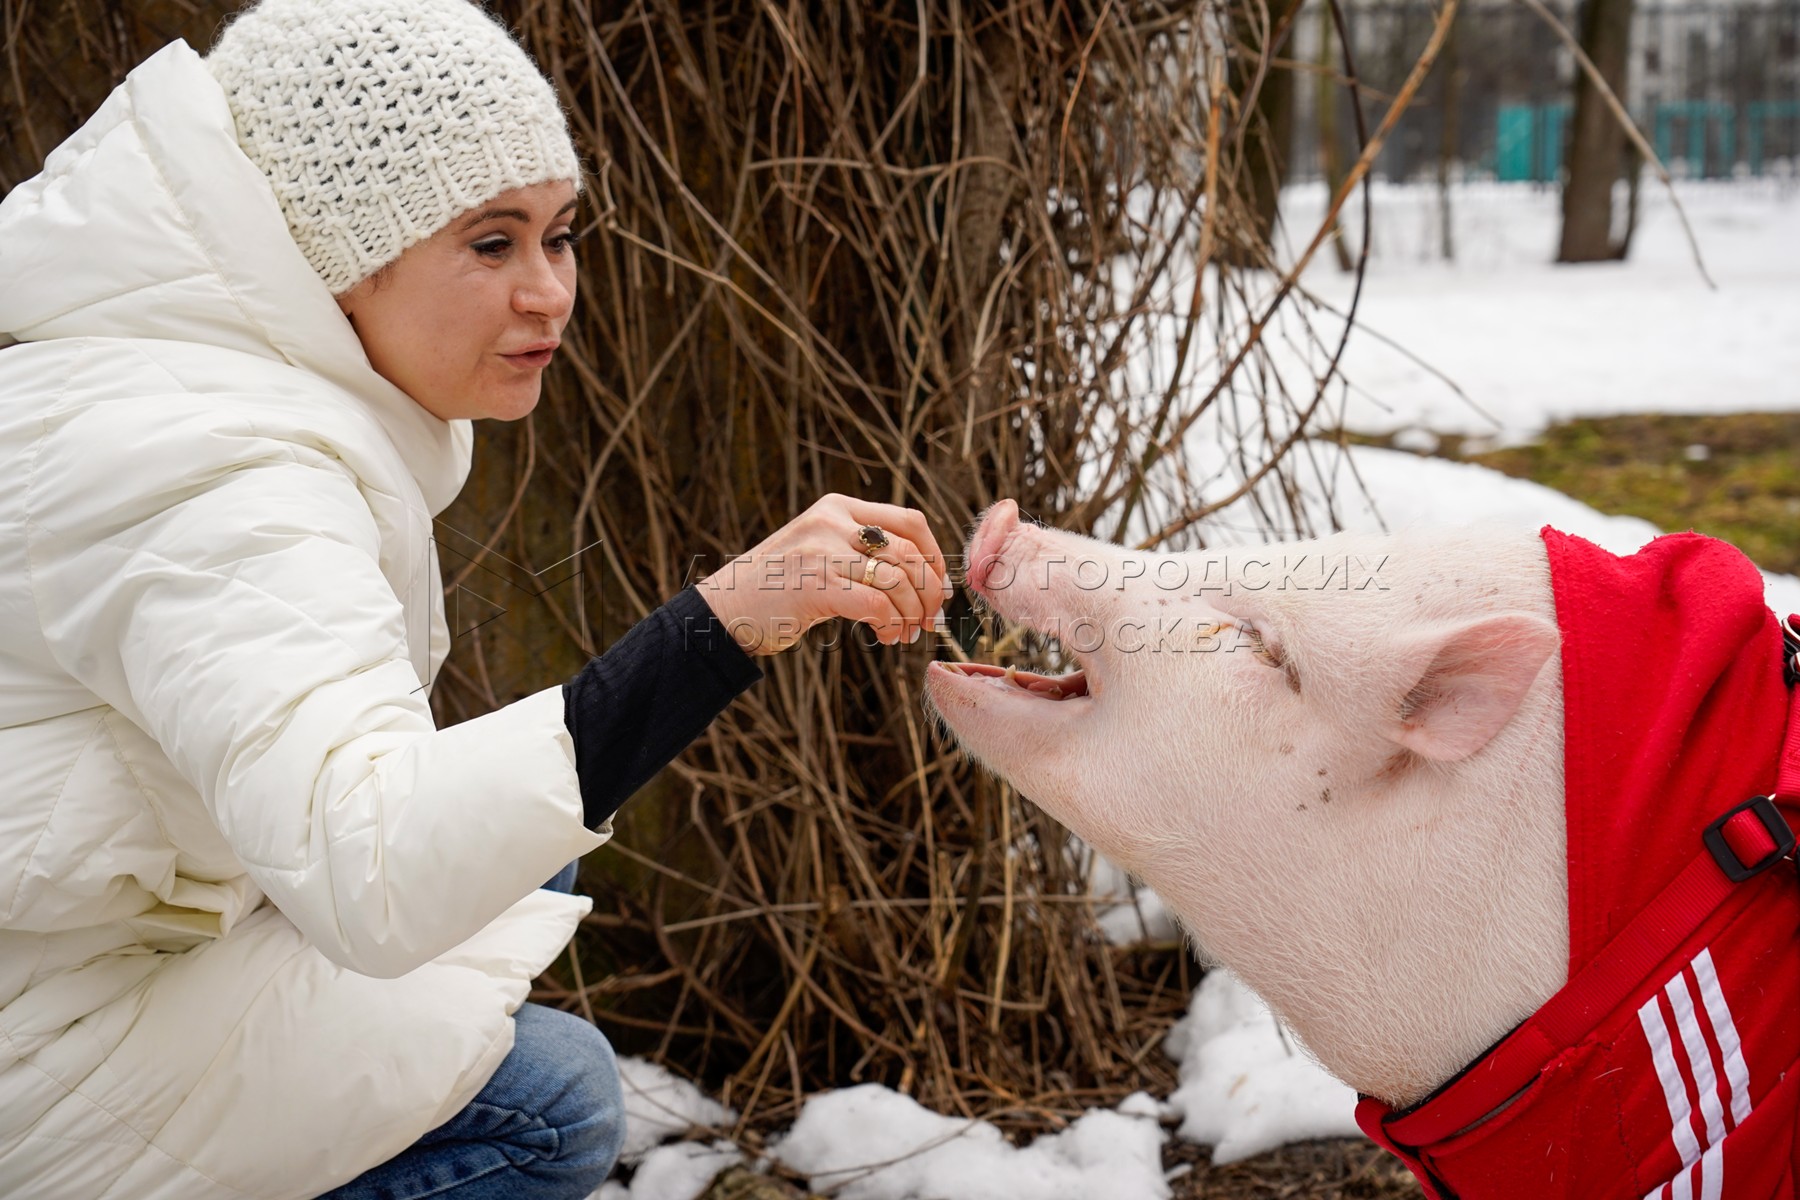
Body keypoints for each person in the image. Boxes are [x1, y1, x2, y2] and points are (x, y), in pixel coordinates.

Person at [0, 2, 951, 1197]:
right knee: (550, 1100)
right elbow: (378, 872)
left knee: (520, 869)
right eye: (492, 244)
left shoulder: (166, 369)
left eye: (560, 236)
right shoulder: (217, 471)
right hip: (39, 1032)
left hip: (77, 939)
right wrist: (729, 621)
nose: (550, 293)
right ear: (333, 253)